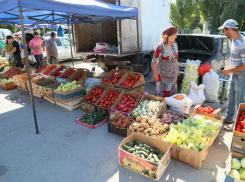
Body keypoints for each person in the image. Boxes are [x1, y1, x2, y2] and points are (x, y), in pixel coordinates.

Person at [218, 19, 245, 131]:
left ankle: (237, 124)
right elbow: (236, 62)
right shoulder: (234, 41)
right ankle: (229, 118)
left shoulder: (242, 43)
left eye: (224, 30)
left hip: (241, 77)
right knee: (230, 98)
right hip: (235, 75)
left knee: (240, 102)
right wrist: (228, 68)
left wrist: (229, 71)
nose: (224, 33)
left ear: (229, 29)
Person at [152, 26, 180, 97]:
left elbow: (175, 58)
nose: (176, 37)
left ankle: (170, 105)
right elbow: (154, 61)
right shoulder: (161, 46)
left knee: (172, 92)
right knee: (163, 93)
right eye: (175, 35)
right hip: (163, 74)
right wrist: (155, 74)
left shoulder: (175, 44)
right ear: (170, 35)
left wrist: (178, 69)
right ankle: (162, 106)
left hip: (173, 74)